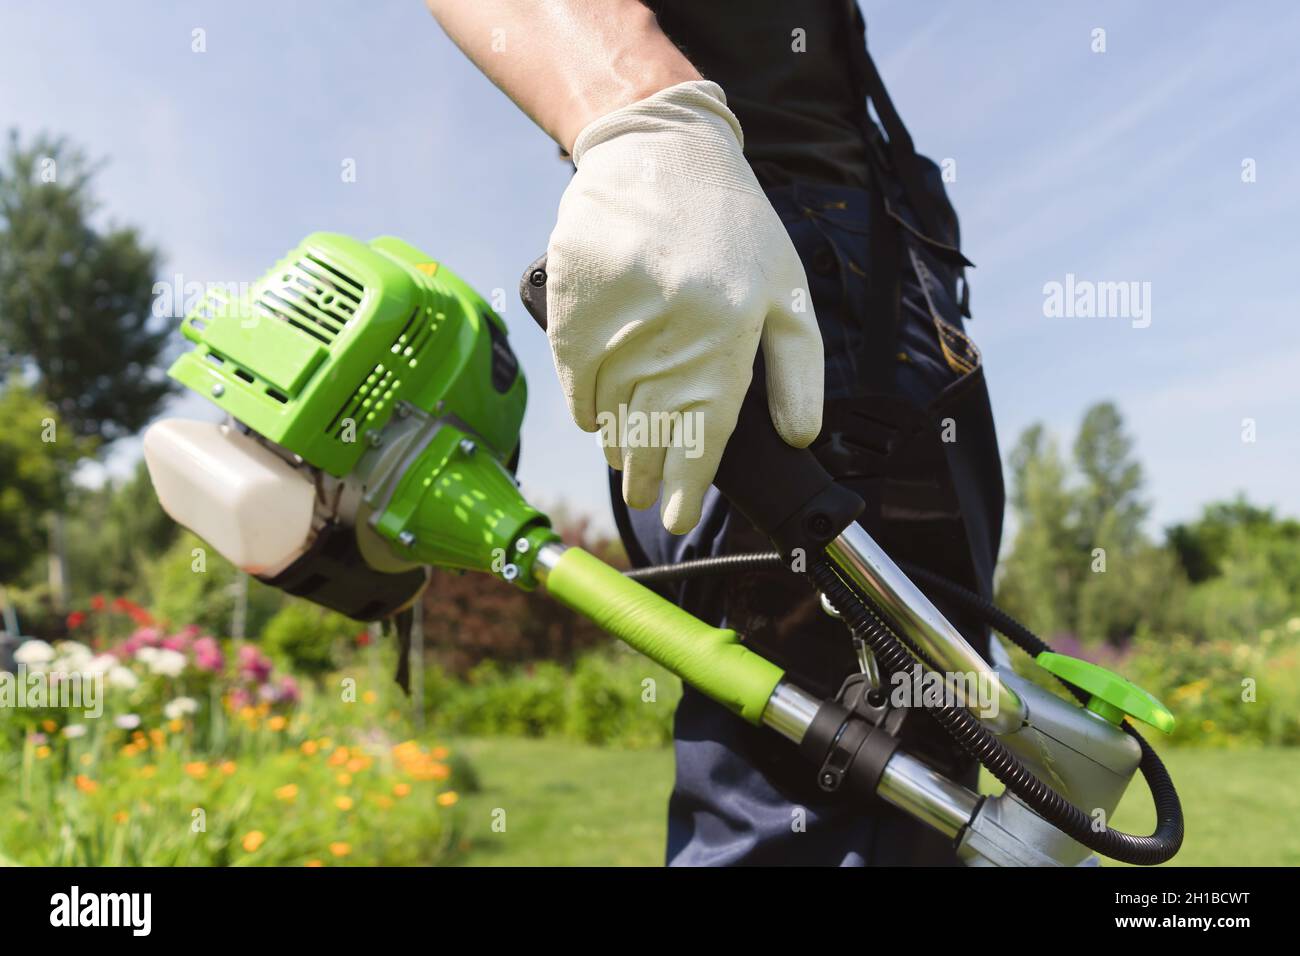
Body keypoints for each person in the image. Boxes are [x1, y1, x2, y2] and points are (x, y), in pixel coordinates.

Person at [426, 0, 1006, 866]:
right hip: (761, 272)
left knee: (928, 776)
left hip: (877, 300)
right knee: (827, 796)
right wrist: (647, 117)